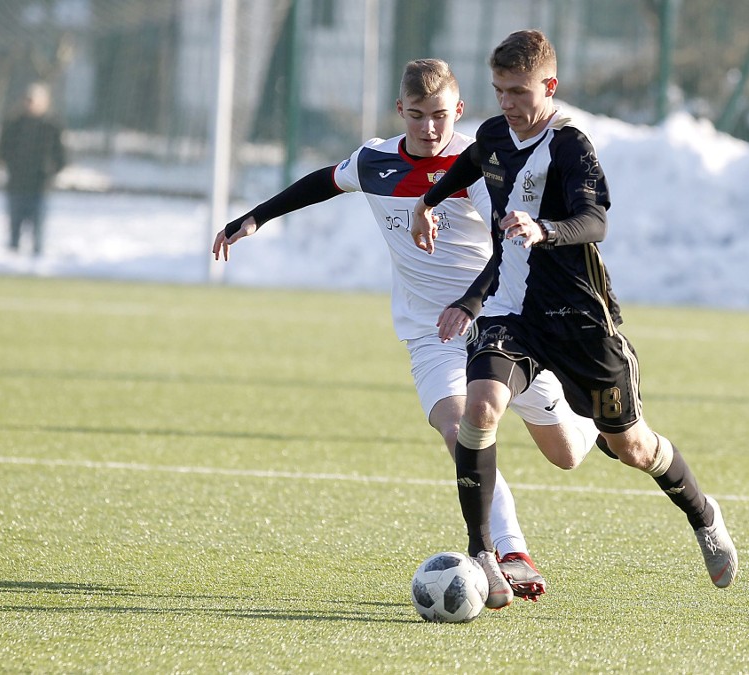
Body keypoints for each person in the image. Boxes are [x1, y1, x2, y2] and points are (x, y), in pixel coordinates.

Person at [213, 59, 599, 609]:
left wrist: (471, 302)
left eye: (439, 116)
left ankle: (597, 421)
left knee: (566, 454)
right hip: (429, 333)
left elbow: (513, 247)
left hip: (502, 321)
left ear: (458, 112)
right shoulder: (375, 161)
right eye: (417, 116)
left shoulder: (485, 165)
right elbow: (323, 181)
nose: (428, 128)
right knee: (458, 427)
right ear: (401, 111)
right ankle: (506, 552)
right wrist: (255, 217)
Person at [411, 30, 738, 593]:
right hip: (511, 314)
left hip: (581, 322)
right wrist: (427, 202)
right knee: (482, 406)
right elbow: (469, 164)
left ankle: (704, 514)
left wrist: (545, 229)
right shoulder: (494, 134)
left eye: (518, 90)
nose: (507, 102)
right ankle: (482, 552)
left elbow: (596, 222)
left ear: (549, 86)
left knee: (630, 445)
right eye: (499, 90)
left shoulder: (570, 146)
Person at [0, 82, 66, 256]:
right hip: (17, 185)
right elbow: (3, 150)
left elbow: (61, 156)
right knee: (14, 232)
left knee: (38, 234)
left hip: (39, 186)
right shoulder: (14, 124)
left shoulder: (51, 125)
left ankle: (36, 264)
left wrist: (48, 172)